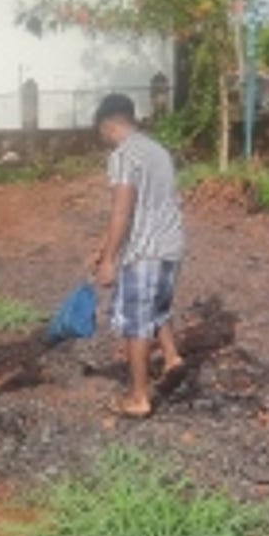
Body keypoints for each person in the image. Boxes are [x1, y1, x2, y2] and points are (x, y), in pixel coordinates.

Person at [90, 93, 186, 419]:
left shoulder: (123, 155)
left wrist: (109, 260)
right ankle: (172, 358)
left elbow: (122, 210)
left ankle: (139, 397)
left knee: (136, 324)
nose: (102, 138)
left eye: (101, 131)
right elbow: (146, 204)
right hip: (170, 245)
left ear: (108, 124)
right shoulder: (156, 151)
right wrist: (105, 246)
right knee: (157, 307)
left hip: (145, 251)